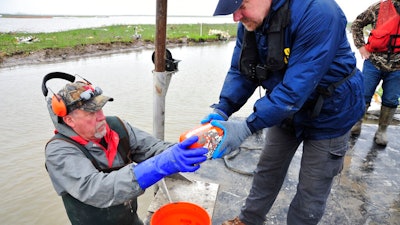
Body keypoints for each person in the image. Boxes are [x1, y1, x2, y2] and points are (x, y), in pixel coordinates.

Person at [201, 0, 365, 224]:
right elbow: (242, 70)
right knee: (267, 169)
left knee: (312, 187)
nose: (236, 17)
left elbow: (295, 89)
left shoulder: (319, 13)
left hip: (331, 112)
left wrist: (247, 126)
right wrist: (223, 108)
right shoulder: (251, 22)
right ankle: (248, 220)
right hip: (285, 110)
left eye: (242, 7)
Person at [41, 72, 208, 225]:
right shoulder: (59, 151)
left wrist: (188, 147)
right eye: (91, 113)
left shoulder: (116, 126)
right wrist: (158, 166)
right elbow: (98, 190)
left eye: (100, 109)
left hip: (130, 220)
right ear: (70, 121)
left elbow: (152, 148)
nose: (101, 118)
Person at [350, 0, 400, 146]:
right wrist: (361, 46)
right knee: (364, 94)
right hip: (374, 62)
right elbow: (357, 23)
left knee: (391, 99)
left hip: (398, 67)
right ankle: (356, 124)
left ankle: (382, 131)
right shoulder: (380, 7)